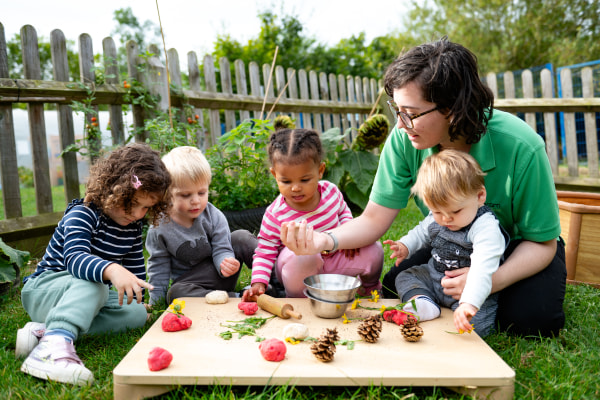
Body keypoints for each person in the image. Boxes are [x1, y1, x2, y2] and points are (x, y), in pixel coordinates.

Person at [280, 37, 566, 337]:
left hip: (518, 248)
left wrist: (487, 280)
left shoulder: (522, 146)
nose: (400, 124)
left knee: (532, 320)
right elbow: (374, 218)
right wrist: (323, 241)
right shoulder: (405, 139)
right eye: (397, 110)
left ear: (453, 108)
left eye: (411, 113)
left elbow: (542, 243)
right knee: (395, 283)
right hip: (449, 243)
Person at [16, 143, 171, 385]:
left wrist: (142, 300)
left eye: (146, 208)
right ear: (115, 190)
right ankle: (51, 348)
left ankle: (43, 331)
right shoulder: (83, 214)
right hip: (44, 291)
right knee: (96, 281)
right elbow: (76, 260)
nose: (139, 214)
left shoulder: (132, 227)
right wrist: (110, 269)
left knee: (135, 313)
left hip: (87, 297)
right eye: (133, 204)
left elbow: (134, 271)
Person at [242, 128, 384, 301]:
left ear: (320, 170)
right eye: (286, 181)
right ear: (274, 174)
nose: (295, 188)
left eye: (304, 180)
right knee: (305, 255)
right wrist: (258, 282)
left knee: (373, 249)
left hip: (336, 258)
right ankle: (299, 299)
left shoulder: (331, 192)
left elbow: (344, 214)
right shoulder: (275, 213)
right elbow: (265, 251)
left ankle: (369, 289)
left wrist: (350, 236)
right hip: (299, 267)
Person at [384, 150, 507, 336]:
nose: (446, 219)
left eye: (456, 212)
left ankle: (463, 312)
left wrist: (468, 303)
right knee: (404, 276)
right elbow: (421, 231)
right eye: (437, 212)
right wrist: (405, 246)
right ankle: (423, 302)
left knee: (476, 329)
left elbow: (482, 269)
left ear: (480, 196)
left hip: (466, 288)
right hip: (434, 277)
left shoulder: (485, 227)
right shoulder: (438, 217)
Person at [145, 146, 256, 305]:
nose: (196, 200)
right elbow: (159, 267)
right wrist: (155, 304)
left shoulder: (213, 216)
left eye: (202, 193)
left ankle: (274, 283)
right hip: (193, 285)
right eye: (186, 195)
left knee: (241, 237)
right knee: (175, 293)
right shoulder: (159, 228)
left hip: (221, 272)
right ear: (168, 194)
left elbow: (222, 247)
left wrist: (225, 262)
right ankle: (239, 297)